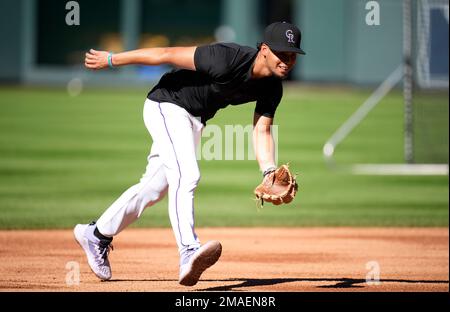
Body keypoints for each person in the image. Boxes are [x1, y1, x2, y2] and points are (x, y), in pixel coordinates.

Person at [74, 21, 305, 286]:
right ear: (264, 49)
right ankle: (188, 251)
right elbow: (165, 54)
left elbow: (262, 130)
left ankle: (96, 235)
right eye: (282, 53)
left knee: (153, 188)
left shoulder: (273, 87)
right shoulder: (227, 58)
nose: (287, 60)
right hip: (166, 104)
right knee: (187, 175)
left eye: (292, 54)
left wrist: (268, 171)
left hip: (194, 120)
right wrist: (112, 59)